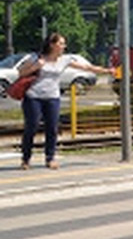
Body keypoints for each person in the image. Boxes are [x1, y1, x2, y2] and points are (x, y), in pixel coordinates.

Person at [15, 33, 116, 170]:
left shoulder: (65, 60)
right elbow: (20, 72)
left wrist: (107, 70)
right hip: (33, 97)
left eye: (64, 44)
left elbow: (87, 68)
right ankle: (25, 159)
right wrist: (35, 67)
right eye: (61, 43)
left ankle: (50, 158)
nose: (64, 46)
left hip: (53, 97)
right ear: (52, 45)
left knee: (52, 128)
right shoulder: (36, 58)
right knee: (31, 127)